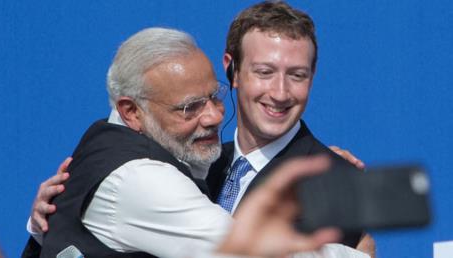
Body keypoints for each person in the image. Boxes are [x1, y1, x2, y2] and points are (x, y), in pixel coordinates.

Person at [22, 27, 352, 258]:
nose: (212, 116)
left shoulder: (178, 156)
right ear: (132, 112)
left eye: (213, 96)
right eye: (189, 107)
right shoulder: (140, 178)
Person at [205, 1, 374, 255]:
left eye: (296, 75)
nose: (280, 93)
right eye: (265, 72)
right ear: (233, 70)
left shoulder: (335, 183)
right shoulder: (201, 166)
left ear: (312, 76)